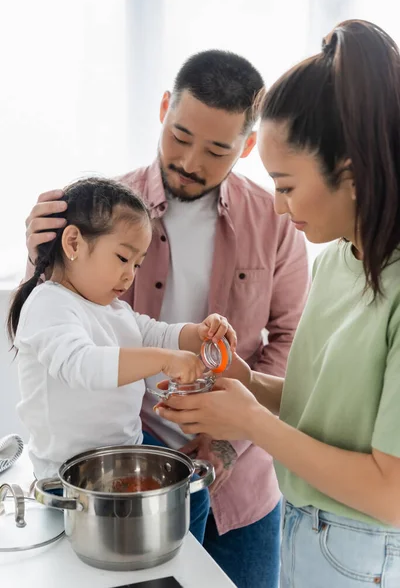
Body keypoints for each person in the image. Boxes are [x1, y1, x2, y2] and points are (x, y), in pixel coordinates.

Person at [24, 51, 309, 588]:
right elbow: (61, 314)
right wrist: (39, 249)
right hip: (137, 462)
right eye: (180, 136)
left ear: (247, 146)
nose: (190, 161)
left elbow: (290, 338)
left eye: (217, 149)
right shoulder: (105, 212)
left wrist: (226, 440)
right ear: (163, 109)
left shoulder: (278, 220)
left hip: (243, 482)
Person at [156, 20, 400, 587]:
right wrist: (248, 382)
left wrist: (247, 422)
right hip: (308, 527)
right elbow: (329, 411)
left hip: (363, 548)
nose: (281, 210)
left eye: (286, 186)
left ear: (354, 174)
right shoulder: (339, 259)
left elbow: (390, 493)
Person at [9, 176, 238, 544]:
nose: (130, 275)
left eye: (138, 264)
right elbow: (84, 365)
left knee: (192, 498)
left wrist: (198, 333)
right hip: (67, 481)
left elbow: (155, 333)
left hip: (120, 456)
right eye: (122, 258)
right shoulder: (47, 303)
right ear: (73, 243)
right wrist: (165, 360)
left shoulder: (112, 309)